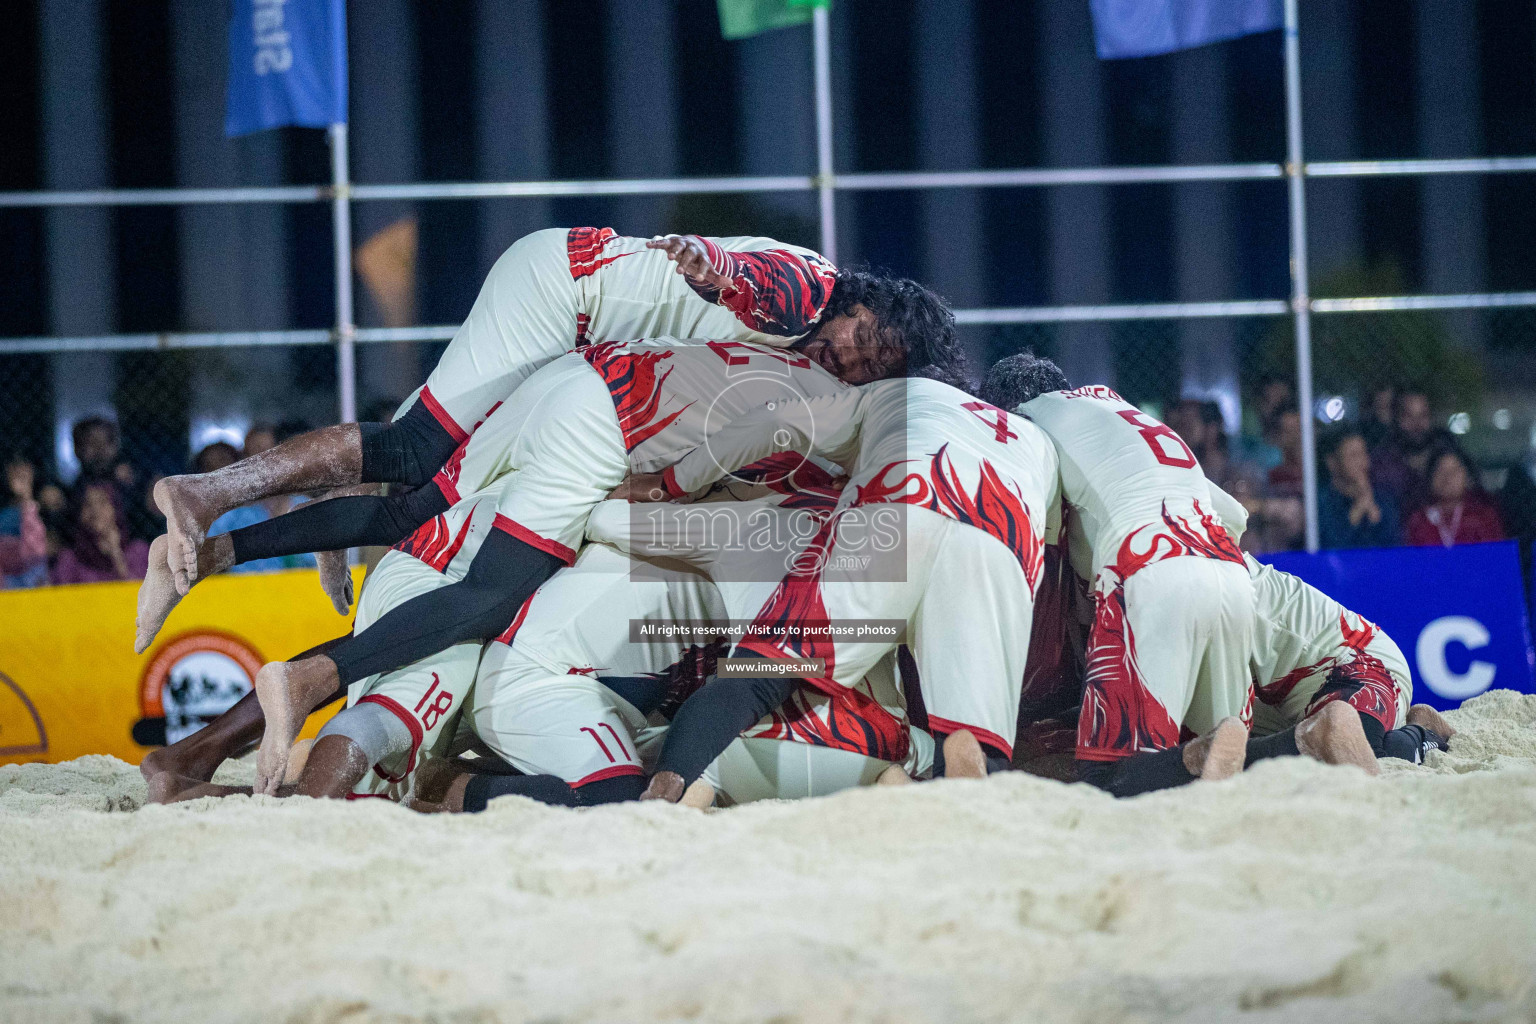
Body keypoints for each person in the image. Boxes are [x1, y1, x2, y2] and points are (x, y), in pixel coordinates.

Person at [228, 334, 950, 794]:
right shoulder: (751, 511)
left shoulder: (711, 460)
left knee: (410, 700)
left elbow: (411, 463)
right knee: (620, 785)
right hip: (479, 613)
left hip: (505, 620)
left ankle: (248, 748)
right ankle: (438, 782)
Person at [150, 228, 958, 596]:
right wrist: (708, 267)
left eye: (872, 366)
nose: (850, 357)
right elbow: (751, 279)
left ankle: (269, 531)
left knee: (425, 485)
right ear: (858, 302)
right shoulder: (810, 290)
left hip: (578, 363)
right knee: (412, 454)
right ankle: (205, 494)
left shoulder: (813, 369)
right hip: (560, 304)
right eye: (862, 337)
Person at [619, 356, 1066, 801]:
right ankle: (970, 774)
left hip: (905, 497)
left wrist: (674, 482)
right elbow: (1051, 542)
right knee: (970, 730)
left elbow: (774, 420)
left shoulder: (897, 391)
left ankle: (663, 792)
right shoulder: (1037, 441)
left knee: (756, 674)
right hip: (1002, 536)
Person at [1003, 361, 1255, 797]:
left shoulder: (1027, 425)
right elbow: (1235, 516)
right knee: (1232, 772)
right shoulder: (1125, 417)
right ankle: (1279, 741)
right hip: (1230, 574)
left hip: (1145, 575)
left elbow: (1036, 544)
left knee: (1111, 780)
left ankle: (1197, 755)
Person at [51, 481, 150, 585]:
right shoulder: (69, 560)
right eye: (87, 504)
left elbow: (141, 594)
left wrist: (116, 555)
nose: (95, 510)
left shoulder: (138, 551)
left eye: (102, 502)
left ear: (115, 508)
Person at [1318, 427, 1402, 550]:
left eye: (1364, 454)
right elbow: (1330, 547)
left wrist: (1373, 511)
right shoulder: (1321, 503)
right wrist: (1358, 509)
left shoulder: (1384, 500)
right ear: (1332, 463)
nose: (1362, 462)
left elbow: (1395, 548)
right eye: (1354, 456)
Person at [1405, 445, 1504, 548]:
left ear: (1468, 477)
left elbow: (1495, 557)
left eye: (1454, 471)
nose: (1447, 478)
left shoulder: (1484, 517)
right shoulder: (1419, 521)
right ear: (1430, 478)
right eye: (1440, 471)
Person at [1372, 386, 1453, 508]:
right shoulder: (1382, 467)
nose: (1417, 424)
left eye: (1423, 415)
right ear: (1395, 418)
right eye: (1408, 416)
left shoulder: (1449, 460)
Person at [1, 455, 48, 588]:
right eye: (14, 467)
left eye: (24, 466)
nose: (19, 472)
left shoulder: (46, 504)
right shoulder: (4, 513)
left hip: (35, 577)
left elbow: (35, 553)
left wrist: (26, 498)